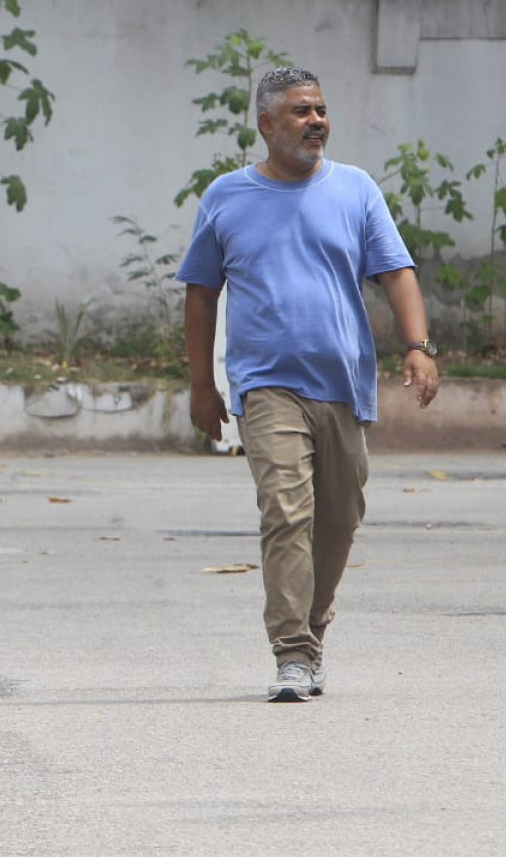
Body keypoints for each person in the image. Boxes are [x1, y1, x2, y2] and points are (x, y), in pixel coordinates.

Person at [176, 68, 440, 702]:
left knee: (340, 518)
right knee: (286, 512)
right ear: (267, 124)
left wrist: (418, 347)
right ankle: (292, 651)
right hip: (266, 383)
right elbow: (201, 293)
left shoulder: (355, 189)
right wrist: (201, 387)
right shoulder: (226, 197)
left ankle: (313, 627)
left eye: (320, 109)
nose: (316, 121)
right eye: (301, 111)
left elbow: (395, 271)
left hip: (343, 383)